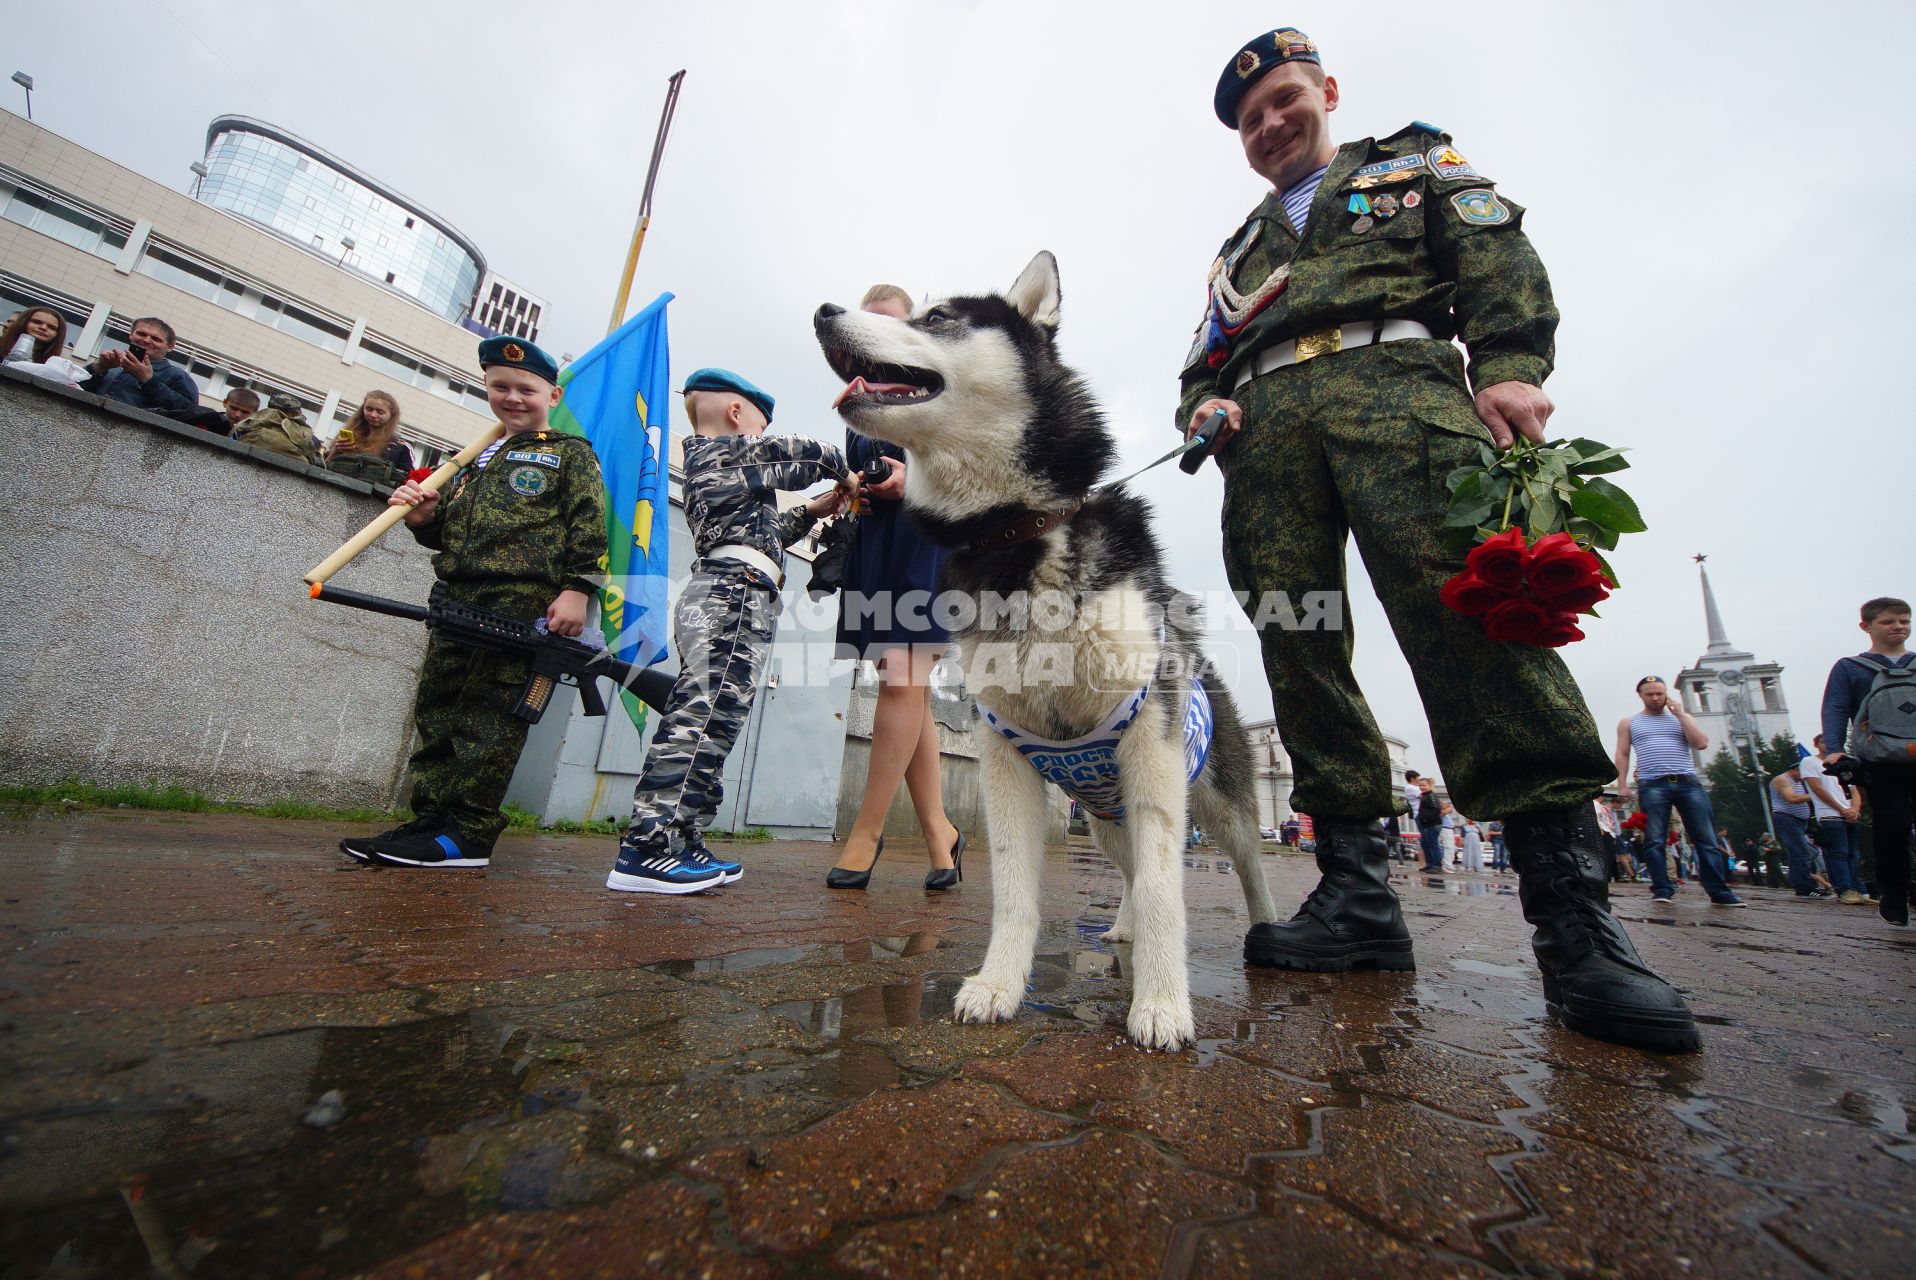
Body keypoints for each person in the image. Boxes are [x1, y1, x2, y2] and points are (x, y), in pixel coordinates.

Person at [1190, 28, 1697, 1052]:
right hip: (1271, 438)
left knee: (1469, 623)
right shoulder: (1237, 249)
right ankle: (1356, 905)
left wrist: (1507, 360)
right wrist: (1204, 405)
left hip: (1402, 398)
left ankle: (1573, 931)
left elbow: (1494, 253)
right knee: (1298, 641)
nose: (1269, 125)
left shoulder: (1411, 165)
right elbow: (1199, 358)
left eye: (1283, 101)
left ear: (1324, 91)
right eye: (1250, 121)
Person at [338, 337, 605, 869]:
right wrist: (423, 519)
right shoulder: (472, 460)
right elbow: (452, 535)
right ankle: (430, 822)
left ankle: (468, 833)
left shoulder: (568, 453)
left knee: (490, 720)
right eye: (499, 387)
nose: (512, 397)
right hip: (458, 601)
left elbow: (589, 525)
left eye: (525, 389)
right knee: (438, 712)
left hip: (521, 603)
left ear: (551, 394)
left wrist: (578, 589)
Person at [608, 368, 852, 894]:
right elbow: (813, 454)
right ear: (738, 415)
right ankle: (646, 849)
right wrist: (849, 475)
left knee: (717, 723)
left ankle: (683, 838)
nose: (763, 439)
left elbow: (768, 534)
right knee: (700, 717)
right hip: (728, 597)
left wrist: (817, 509)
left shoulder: (728, 473)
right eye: (761, 428)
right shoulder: (723, 453)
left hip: (739, 592)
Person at [828, 283, 965, 892]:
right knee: (909, 694)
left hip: (923, 544)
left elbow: (969, 463)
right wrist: (853, 485)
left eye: (889, 323)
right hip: (875, 545)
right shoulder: (858, 397)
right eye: (868, 323)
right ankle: (941, 832)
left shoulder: (940, 384)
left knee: (903, 680)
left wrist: (916, 476)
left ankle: (867, 830)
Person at [1823, 597, 1916, 925]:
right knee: (1893, 827)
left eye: (1904, 621)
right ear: (1867, 626)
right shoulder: (1851, 668)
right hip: (1880, 762)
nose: (1899, 627)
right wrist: (1834, 748)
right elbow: (1836, 708)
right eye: (1889, 622)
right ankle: (1894, 891)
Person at [1612, 677, 1744, 907]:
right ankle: (1662, 888)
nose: (1655, 698)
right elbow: (1622, 753)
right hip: (1652, 783)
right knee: (1655, 840)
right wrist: (1622, 784)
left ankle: (1718, 891)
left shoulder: (1682, 718)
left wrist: (1681, 715)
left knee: (1706, 838)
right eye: (1650, 694)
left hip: (1687, 782)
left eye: (1659, 694)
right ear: (1641, 696)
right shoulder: (1629, 722)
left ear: (1666, 695)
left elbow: (1701, 743)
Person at [88, 317, 201, 416]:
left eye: (156, 339)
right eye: (141, 334)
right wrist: (98, 368)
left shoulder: (177, 375)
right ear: (131, 335)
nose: (146, 340)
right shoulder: (111, 364)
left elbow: (190, 412)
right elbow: (73, 387)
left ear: (170, 347)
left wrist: (149, 381)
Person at [1800, 734, 1865, 904]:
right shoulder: (1809, 762)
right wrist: (1842, 809)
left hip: (1850, 815)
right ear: (1816, 744)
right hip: (1830, 814)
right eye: (1823, 741)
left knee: (1853, 854)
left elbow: (1854, 790)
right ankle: (1844, 889)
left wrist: (1855, 809)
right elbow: (1818, 789)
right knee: (1839, 853)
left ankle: (1856, 888)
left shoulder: (1843, 764)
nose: (1827, 745)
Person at [328, 391, 414, 487]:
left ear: (392, 415)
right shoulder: (349, 435)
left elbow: (407, 482)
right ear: (362, 409)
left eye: (380, 412)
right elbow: (325, 467)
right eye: (369, 409)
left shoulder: (402, 447)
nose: (373, 415)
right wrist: (336, 451)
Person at [1769, 764, 1828, 898]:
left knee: (1798, 853)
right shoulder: (1782, 780)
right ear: (1796, 770)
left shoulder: (1798, 782)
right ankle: (1805, 887)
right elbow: (1792, 798)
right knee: (1802, 852)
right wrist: (1816, 794)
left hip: (1798, 822)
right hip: (1787, 820)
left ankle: (1801, 885)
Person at [231, 393, 320, 465]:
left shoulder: (255, 419)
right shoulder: (304, 432)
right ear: (296, 414)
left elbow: (232, 438)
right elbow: (315, 462)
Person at [2, 307, 68, 364]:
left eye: (51, 327)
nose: (43, 327)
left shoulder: (54, 366)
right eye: (36, 322)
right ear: (23, 322)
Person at [1414, 777, 1444, 873]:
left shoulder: (1431, 796)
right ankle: (1430, 864)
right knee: (1426, 844)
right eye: (1420, 785)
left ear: (1430, 785)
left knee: (1433, 844)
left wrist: (1425, 818)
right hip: (1427, 824)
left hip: (1432, 824)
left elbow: (1436, 809)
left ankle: (1437, 865)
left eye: (1424, 785)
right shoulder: (1426, 796)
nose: (1422, 787)